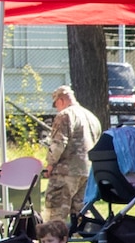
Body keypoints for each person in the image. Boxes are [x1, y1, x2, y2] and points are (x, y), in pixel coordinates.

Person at [41, 86, 98, 228]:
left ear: (60, 100)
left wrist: (50, 165)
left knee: (55, 213)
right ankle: (85, 240)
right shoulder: (91, 116)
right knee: (81, 215)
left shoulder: (65, 115)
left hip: (65, 172)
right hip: (86, 171)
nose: (56, 109)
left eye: (56, 105)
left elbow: (58, 143)